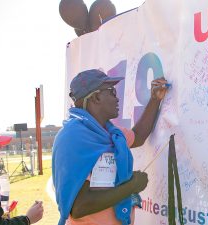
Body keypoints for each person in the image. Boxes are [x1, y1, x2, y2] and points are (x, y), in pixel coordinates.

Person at [53, 69, 168, 225]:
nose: (117, 98)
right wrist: (131, 186)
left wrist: (155, 99)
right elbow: (78, 206)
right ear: (96, 97)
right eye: (112, 91)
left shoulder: (110, 134)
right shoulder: (73, 139)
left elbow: (138, 136)